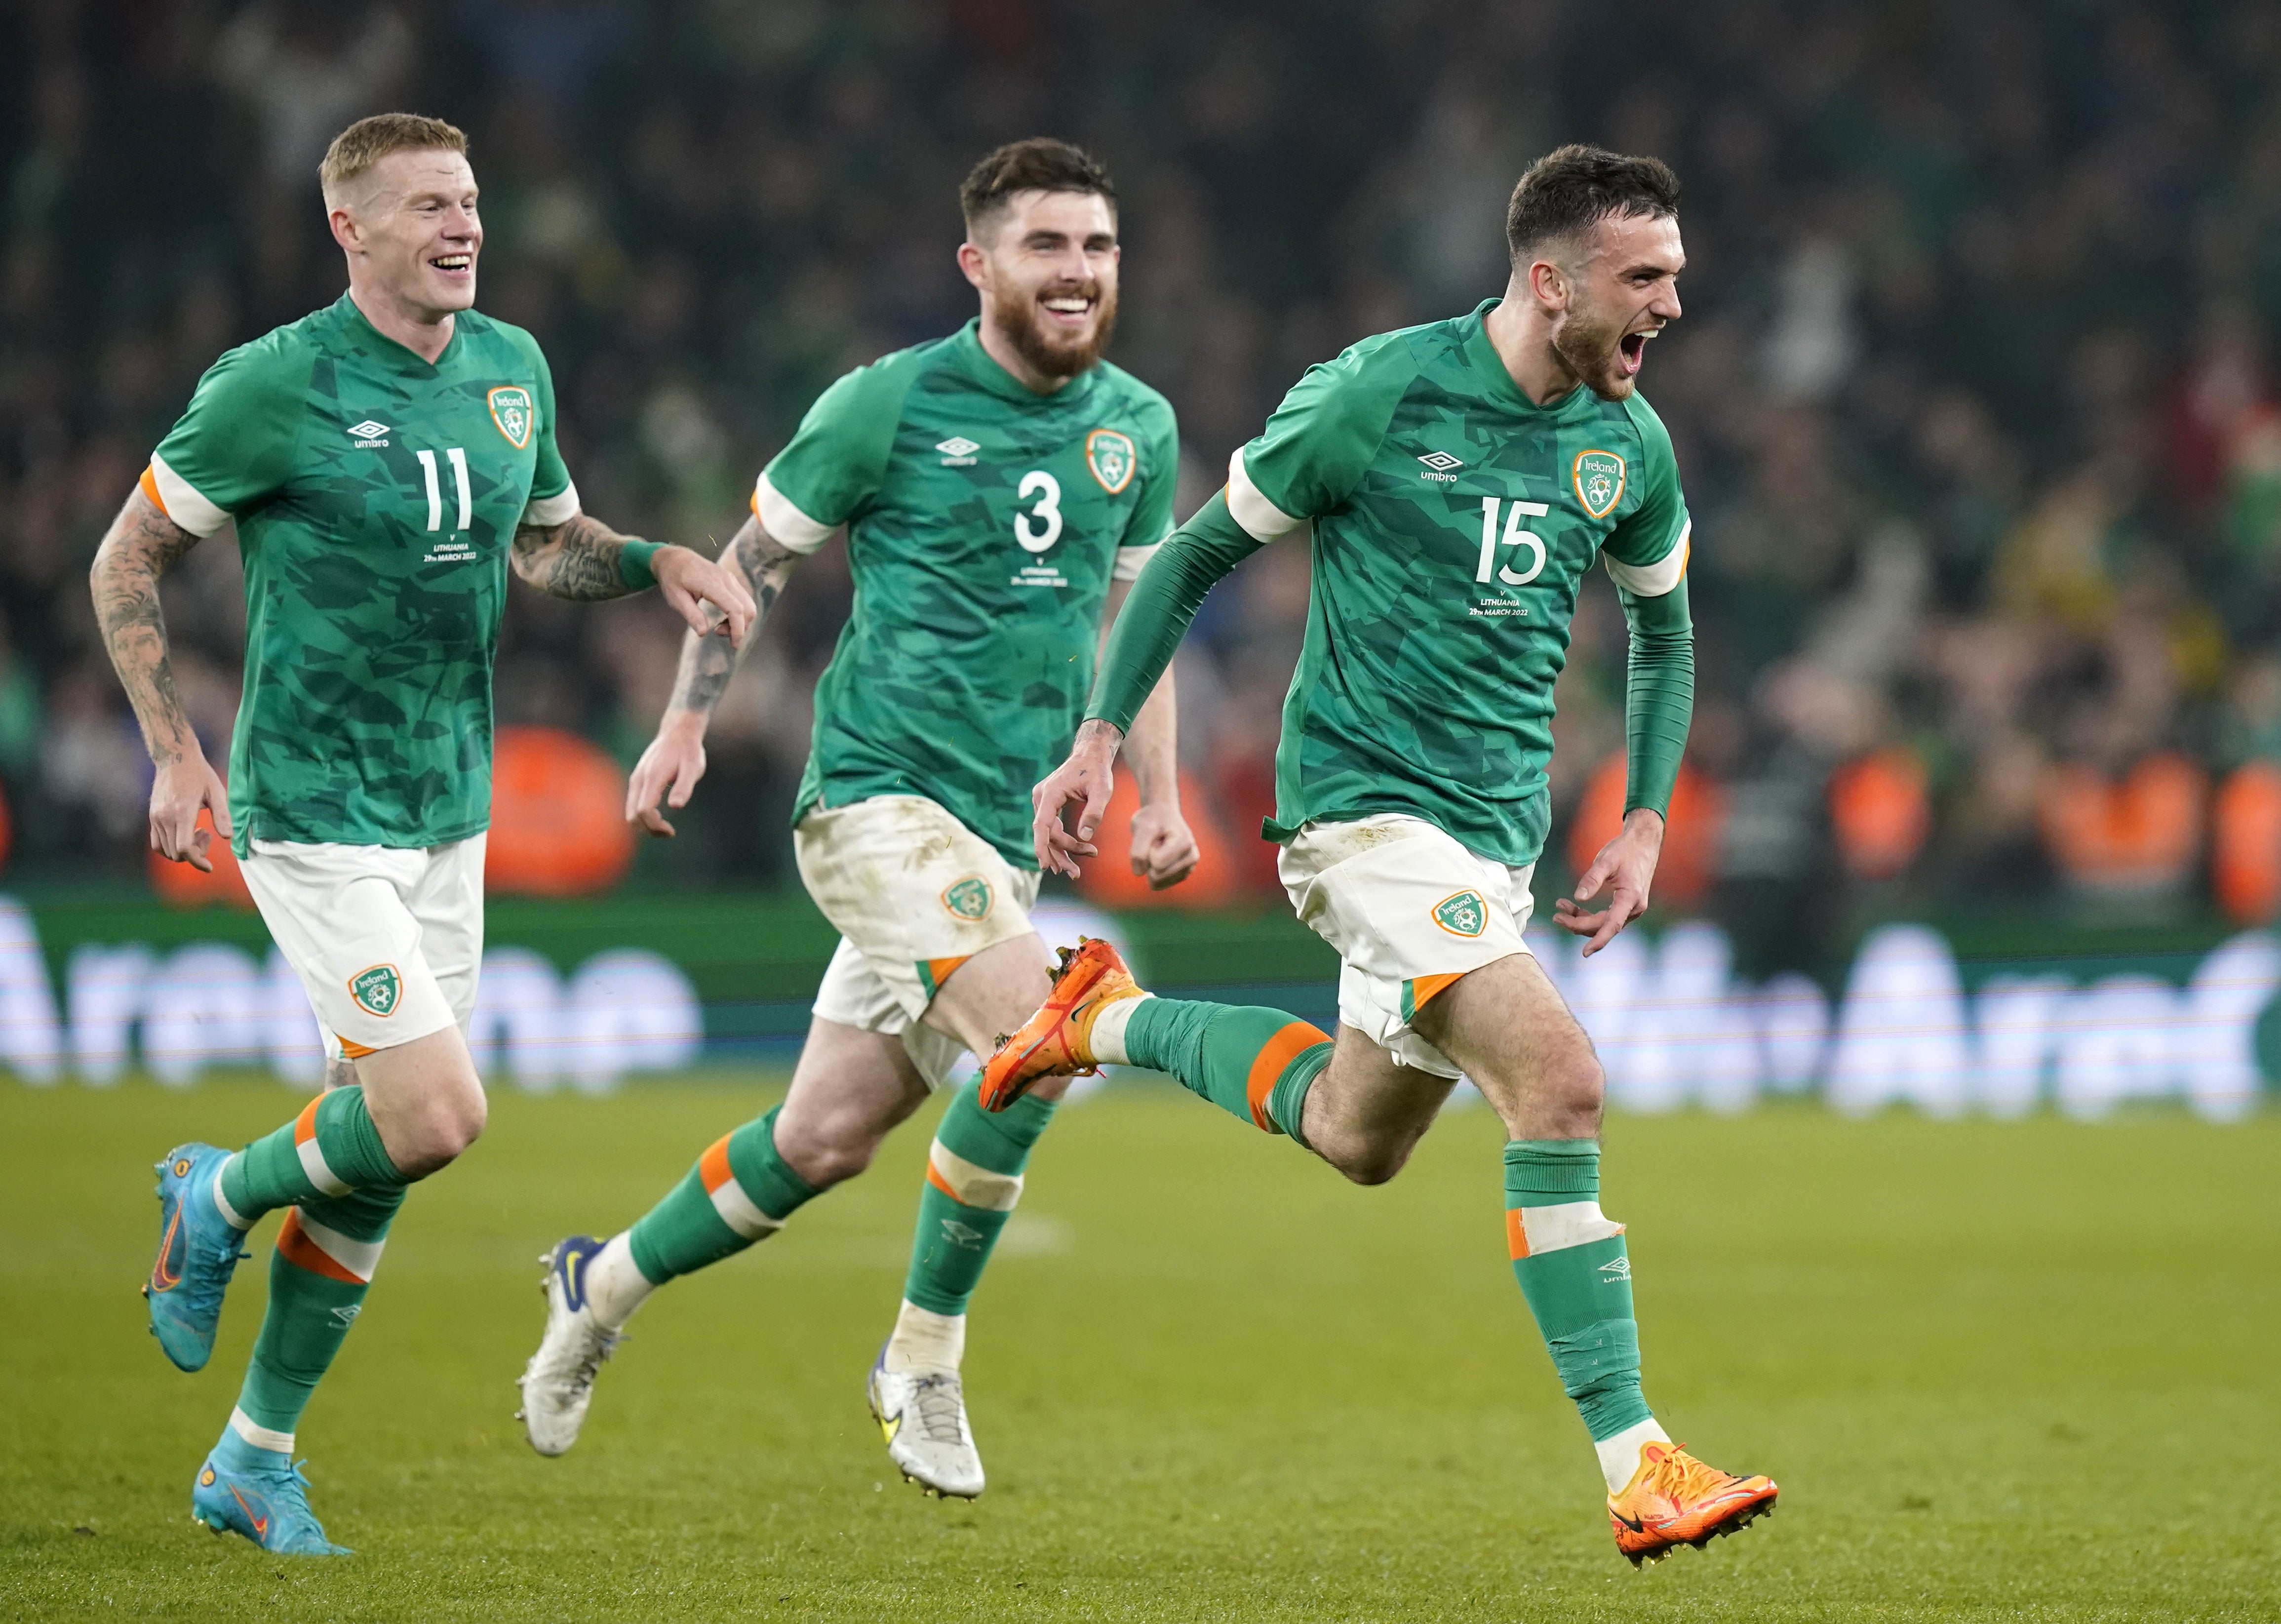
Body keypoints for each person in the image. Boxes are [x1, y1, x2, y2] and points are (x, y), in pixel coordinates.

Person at [993, 144, 1777, 1567]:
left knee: (1357, 1133)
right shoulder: (1376, 394)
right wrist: (1103, 740)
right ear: (1550, 283)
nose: (1672, 301)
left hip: (1490, 837)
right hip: (1357, 817)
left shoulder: (1628, 444)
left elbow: (1661, 634)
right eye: (1644, 278)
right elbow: (1185, 558)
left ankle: (1095, 1016)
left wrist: (1647, 813)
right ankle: (1636, 1457)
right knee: (1562, 1079)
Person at [104, 112, 755, 1556]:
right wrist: (173, 749)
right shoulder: (273, 384)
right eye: (426, 209)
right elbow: (129, 553)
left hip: (444, 803)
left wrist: (656, 563)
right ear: (349, 229)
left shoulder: (512, 368)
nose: (462, 227)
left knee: (390, 1152)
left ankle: (252, 1458)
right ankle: (212, 1192)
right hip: (311, 806)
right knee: (438, 1111)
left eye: (469, 203)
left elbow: (543, 544)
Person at [517, 138, 1195, 1500]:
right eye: (1047, 245)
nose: (1076, 272)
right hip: (876, 801)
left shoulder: (1141, 423)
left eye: (1098, 247)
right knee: (1039, 1041)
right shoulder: (886, 402)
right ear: (979, 265)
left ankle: (601, 1282)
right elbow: (747, 565)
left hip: (999, 840)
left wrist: (1157, 787)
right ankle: (920, 1363)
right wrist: (686, 721)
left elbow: (1142, 617)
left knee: (823, 1137)